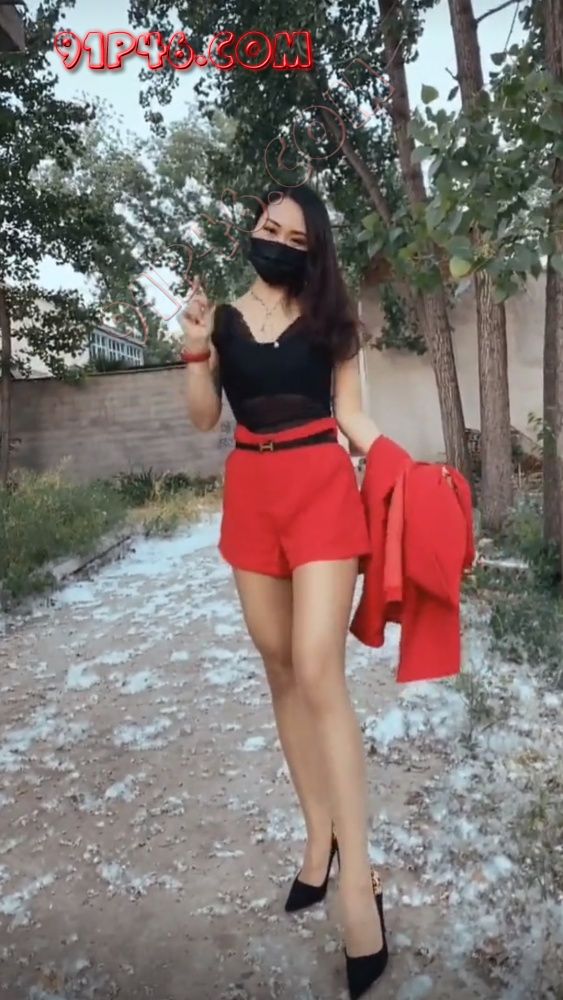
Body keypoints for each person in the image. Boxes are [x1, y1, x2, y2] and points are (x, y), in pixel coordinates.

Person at [179, 184, 388, 999]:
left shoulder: (333, 319)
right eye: (268, 226)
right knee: (279, 669)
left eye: (294, 237)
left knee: (316, 667)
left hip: (320, 488)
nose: (274, 241)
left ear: (314, 250)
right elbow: (204, 418)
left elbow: (353, 418)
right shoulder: (224, 320)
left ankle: (359, 883)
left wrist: (406, 472)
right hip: (251, 495)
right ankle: (317, 838)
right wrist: (194, 347)